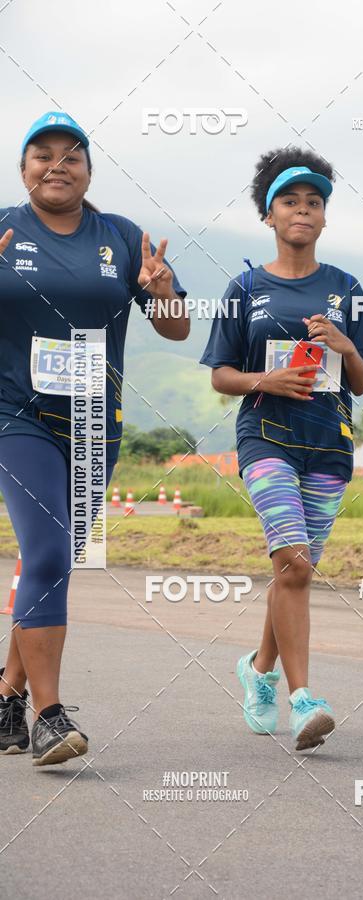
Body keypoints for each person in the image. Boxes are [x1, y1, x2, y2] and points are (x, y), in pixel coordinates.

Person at [0, 111, 188, 765]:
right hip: (15, 417)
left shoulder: (123, 236)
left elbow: (175, 329)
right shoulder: (3, 227)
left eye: (71, 155)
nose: (57, 164)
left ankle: (6, 698)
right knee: (48, 552)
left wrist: (163, 291)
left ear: (88, 170)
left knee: (50, 563)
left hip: (91, 424)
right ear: (24, 169)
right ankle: (50, 717)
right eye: (42, 154)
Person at [200, 147, 363, 751]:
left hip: (329, 445)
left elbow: (360, 382)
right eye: (289, 202)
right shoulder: (245, 287)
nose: (303, 211)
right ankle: (305, 700)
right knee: (296, 565)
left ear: (324, 218)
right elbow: (220, 374)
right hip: (265, 438)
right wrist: (266, 382)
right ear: (269, 216)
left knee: (291, 572)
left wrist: (345, 345)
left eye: (314, 202)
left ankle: (257, 670)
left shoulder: (346, 288)